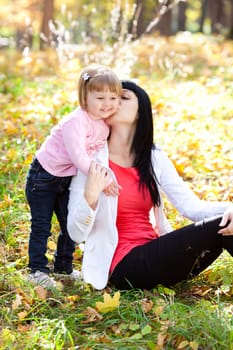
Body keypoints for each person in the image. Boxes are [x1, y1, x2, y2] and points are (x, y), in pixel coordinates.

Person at [67, 80, 233, 291]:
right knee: (222, 223)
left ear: (139, 112)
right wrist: (89, 197)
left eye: (123, 97)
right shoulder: (90, 161)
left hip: (158, 255)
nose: (113, 102)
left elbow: (191, 207)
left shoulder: (152, 157)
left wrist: (229, 208)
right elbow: (75, 233)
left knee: (229, 221)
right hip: (125, 265)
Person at [25, 66, 122, 288]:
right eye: (99, 97)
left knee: (69, 223)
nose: (107, 103)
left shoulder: (104, 125)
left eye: (113, 97)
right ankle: (37, 269)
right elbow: (79, 157)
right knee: (41, 224)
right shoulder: (75, 121)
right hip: (44, 175)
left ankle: (63, 266)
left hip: (65, 178)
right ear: (84, 97)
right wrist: (104, 180)